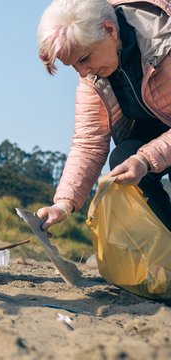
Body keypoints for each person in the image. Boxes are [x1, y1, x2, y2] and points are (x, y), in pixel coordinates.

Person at [36, 0, 171, 232]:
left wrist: (146, 159)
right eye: (74, 66)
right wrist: (63, 203)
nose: (83, 72)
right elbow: (89, 142)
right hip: (158, 135)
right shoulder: (92, 77)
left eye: (84, 58)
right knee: (124, 159)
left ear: (110, 30)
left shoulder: (165, 42)